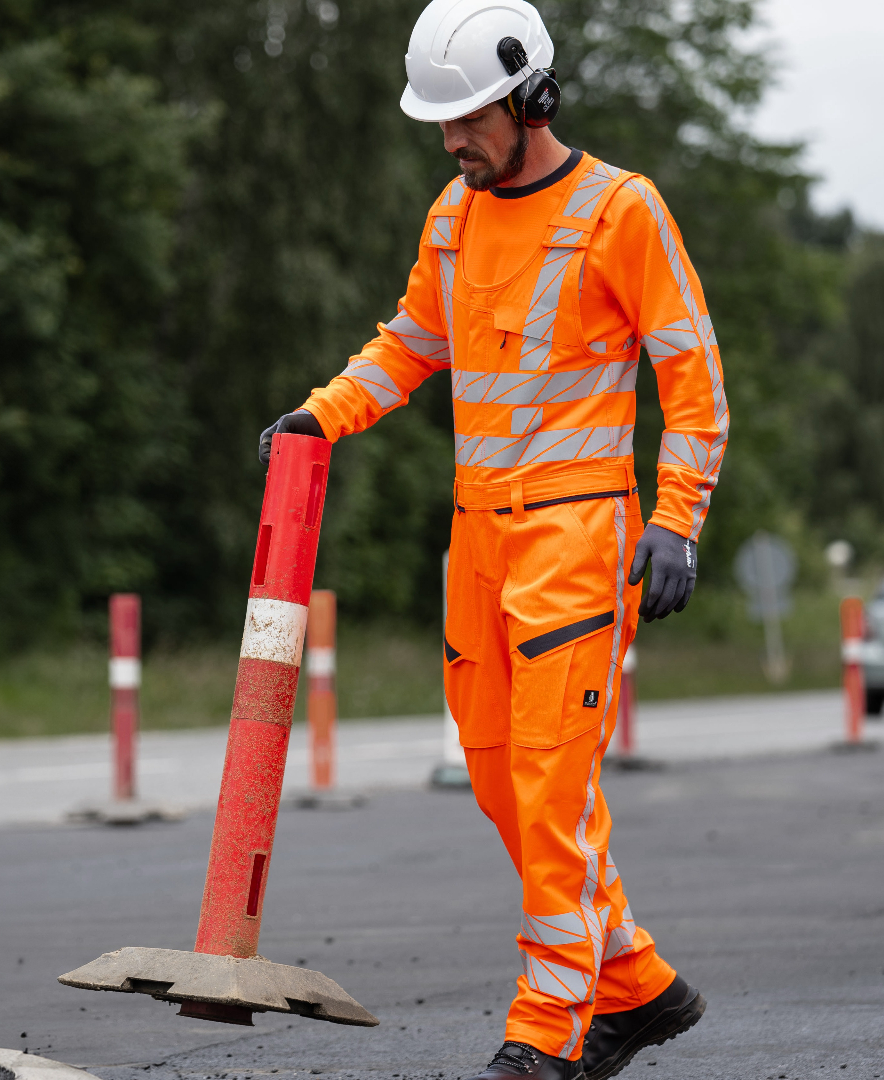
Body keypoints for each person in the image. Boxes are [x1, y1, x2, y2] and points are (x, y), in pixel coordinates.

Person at [258, 2, 724, 1076]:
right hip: (476, 541)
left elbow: (694, 386)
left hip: (578, 538)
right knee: (499, 780)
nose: (454, 139)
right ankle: (640, 984)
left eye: (469, 117)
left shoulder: (624, 211)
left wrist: (674, 523)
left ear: (532, 96)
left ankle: (544, 1029)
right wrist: (323, 412)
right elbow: (410, 342)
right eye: (441, 121)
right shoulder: (454, 217)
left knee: (556, 784)